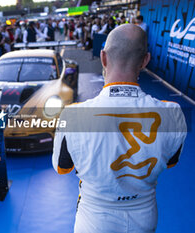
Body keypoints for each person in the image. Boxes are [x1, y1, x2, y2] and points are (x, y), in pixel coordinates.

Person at [52, 24, 187, 233]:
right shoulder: (173, 114)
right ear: (145, 61)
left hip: (94, 220)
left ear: (103, 58)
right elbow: (171, 162)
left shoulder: (72, 116)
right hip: (144, 215)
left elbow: (63, 167)